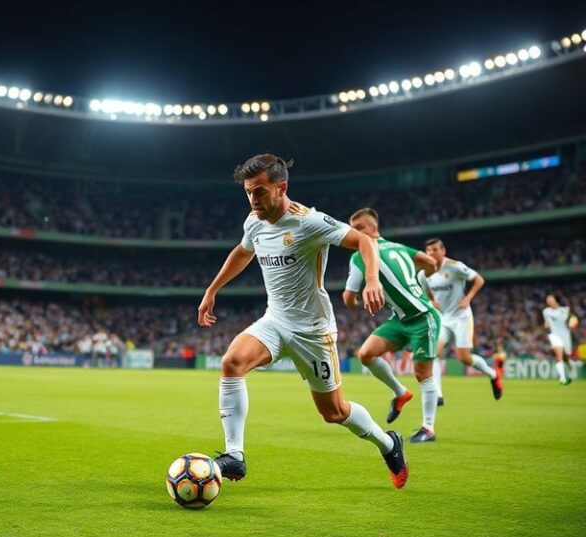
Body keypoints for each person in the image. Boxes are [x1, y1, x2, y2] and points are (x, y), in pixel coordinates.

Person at [197, 154, 408, 490]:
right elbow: (242, 251)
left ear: (282, 188)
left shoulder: (309, 222)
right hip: (275, 320)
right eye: (249, 192)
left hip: (312, 331)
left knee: (334, 412)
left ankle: (388, 443)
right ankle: (235, 454)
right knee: (232, 362)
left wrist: (372, 280)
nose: (254, 200)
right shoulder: (254, 221)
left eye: (260, 192)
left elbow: (364, 240)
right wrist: (212, 290)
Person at [342, 208, 441, 443]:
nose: (355, 234)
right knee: (366, 354)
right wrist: (419, 284)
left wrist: (357, 301)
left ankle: (428, 428)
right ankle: (400, 393)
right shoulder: (399, 247)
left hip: (422, 316)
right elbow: (431, 264)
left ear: (374, 228)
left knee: (422, 373)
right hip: (400, 318)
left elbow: (348, 297)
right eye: (352, 230)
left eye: (360, 228)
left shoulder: (358, 256)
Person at [418, 238, 503, 403]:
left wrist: (468, 298)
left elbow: (479, 279)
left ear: (443, 251)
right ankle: (438, 395)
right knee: (432, 353)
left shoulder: (455, 266)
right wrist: (431, 301)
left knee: (464, 358)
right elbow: (425, 291)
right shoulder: (423, 273)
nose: (431, 253)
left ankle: (493, 375)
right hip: (443, 318)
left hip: (461, 317)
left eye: (435, 250)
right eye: (428, 251)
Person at [543, 294, 578, 385]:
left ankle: (569, 371)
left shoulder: (565, 310)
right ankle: (562, 378)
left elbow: (574, 319)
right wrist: (546, 325)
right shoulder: (546, 311)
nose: (548, 300)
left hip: (565, 334)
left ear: (555, 300)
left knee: (566, 356)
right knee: (559, 355)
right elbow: (547, 322)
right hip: (554, 335)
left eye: (550, 299)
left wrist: (572, 322)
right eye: (547, 299)